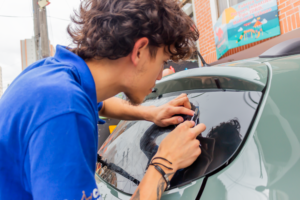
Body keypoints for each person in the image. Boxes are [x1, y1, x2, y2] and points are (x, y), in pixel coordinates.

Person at [0, 0, 206, 200]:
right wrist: (165, 163)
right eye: (163, 61)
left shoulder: (55, 76)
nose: (160, 75)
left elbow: (102, 104)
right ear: (140, 51)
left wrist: (152, 113)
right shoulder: (65, 111)